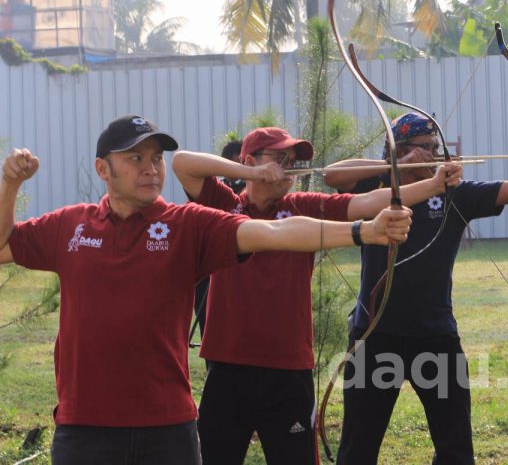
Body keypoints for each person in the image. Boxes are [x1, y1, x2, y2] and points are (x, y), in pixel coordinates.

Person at [0, 115, 412, 465]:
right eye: (135, 159)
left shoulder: (188, 224)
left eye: (156, 158)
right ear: (102, 170)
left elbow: (279, 230)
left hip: (166, 426)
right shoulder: (70, 225)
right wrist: (9, 186)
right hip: (84, 424)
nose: (152, 169)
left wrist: (363, 231)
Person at [323, 112, 508, 465]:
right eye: (424, 148)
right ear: (398, 149)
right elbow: (331, 174)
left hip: (435, 337)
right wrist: (396, 163)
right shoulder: (375, 190)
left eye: (435, 147)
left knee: (456, 450)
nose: (434, 154)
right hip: (375, 336)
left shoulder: (454, 194)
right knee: (357, 451)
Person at [171, 126, 462, 465]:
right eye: (281, 159)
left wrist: (434, 184)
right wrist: (249, 172)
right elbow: (182, 163)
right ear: (250, 160)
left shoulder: (301, 206)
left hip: (288, 372)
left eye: (294, 162)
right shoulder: (222, 205)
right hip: (227, 368)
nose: (291, 169)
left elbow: (366, 202)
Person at [193, 138, 245, 341]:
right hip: (211, 268)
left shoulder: (248, 188)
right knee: (212, 329)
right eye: (242, 160)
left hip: (239, 268)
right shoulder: (215, 190)